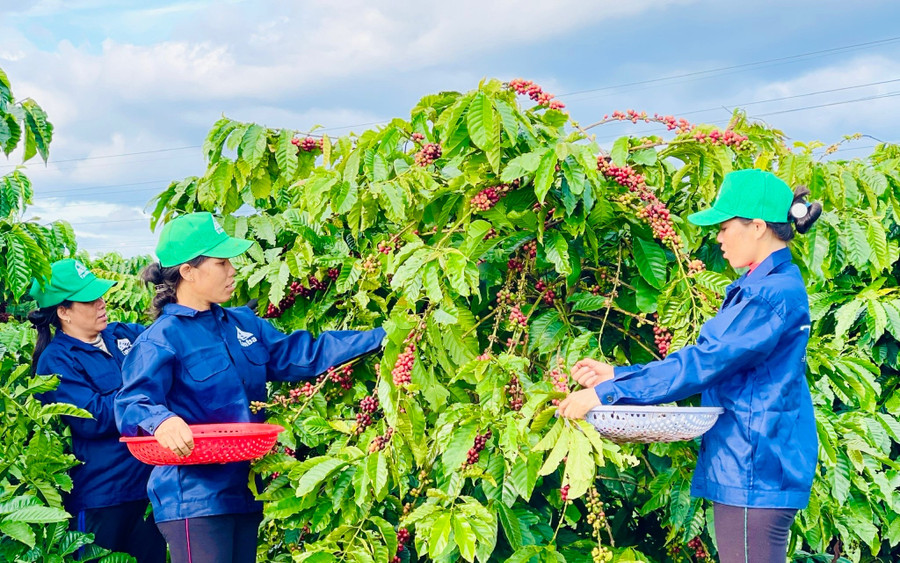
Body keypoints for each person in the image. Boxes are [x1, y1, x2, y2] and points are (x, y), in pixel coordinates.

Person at [557, 169, 823, 563]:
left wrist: (605, 392)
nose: (718, 237)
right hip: (755, 463)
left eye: (724, 226)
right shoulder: (767, 284)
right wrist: (618, 374)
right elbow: (717, 361)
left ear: (757, 227)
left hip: (754, 468)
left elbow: (704, 363)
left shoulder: (768, 294)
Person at [114, 212, 386, 563]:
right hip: (193, 497)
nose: (233, 270)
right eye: (221, 262)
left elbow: (303, 354)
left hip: (245, 488)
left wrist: (382, 336)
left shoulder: (242, 324)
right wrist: (161, 421)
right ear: (188, 271)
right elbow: (132, 401)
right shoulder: (160, 340)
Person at [28, 259, 166, 563]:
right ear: (63, 312)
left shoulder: (122, 335)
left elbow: (166, 342)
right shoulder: (56, 361)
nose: (101, 304)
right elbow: (90, 419)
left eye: (100, 296)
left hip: (148, 489)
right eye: (90, 301)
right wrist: (143, 396)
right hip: (103, 496)